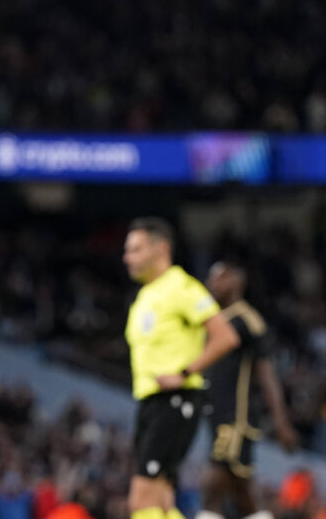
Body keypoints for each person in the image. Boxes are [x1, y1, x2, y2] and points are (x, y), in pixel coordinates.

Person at [122, 217, 239, 519]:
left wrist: (185, 373)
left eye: (135, 249)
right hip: (151, 401)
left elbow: (225, 336)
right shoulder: (146, 295)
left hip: (175, 400)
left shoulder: (181, 287)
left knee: (141, 498)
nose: (127, 258)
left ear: (160, 249)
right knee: (161, 498)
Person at [196, 261, 298, 519]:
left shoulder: (247, 319)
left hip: (236, 417)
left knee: (212, 487)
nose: (211, 283)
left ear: (236, 282)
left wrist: (281, 422)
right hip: (217, 415)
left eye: (219, 278)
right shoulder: (216, 321)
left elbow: (266, 373)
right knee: (242, 493)